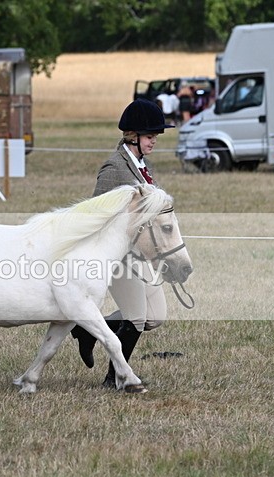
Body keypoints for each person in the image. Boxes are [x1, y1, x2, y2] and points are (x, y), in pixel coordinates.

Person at [69, 98, 175, 388]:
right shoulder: (114, 168)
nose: (154, 142)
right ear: (134, 136)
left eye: (155, 137)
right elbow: (95, 213)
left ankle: (87, 329)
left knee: (155, 317)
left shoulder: (142, 164)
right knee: (137, 318)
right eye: (151, 137)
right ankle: (114, 377)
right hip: (119, 257)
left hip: (143, 254)